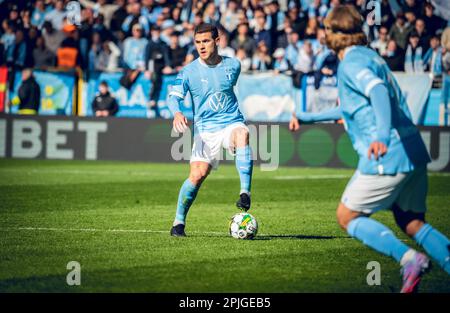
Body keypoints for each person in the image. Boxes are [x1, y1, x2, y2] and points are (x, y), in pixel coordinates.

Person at [289, 5, 449, 293]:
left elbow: (376, 92)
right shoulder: (369, 56)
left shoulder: (351, 62)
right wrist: (306, 116)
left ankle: (408, 259)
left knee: (346, 216)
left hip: (388, 152)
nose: (323, 33)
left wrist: (382, 137)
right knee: (411, 221)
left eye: (327, 28)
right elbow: (350, 107)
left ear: (335, 33)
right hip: (412, 148)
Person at [168, 23, 253, 237]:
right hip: (206, 131)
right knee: (197, 175)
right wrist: (177, 113)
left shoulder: (233, 65)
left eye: (206, 41)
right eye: (197, 42)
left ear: (217, 41)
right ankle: (178, 223)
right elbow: (173, 97)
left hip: (231, 122)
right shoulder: (188, 72)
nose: (201, 46)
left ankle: (245, 192)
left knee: (242, 134)